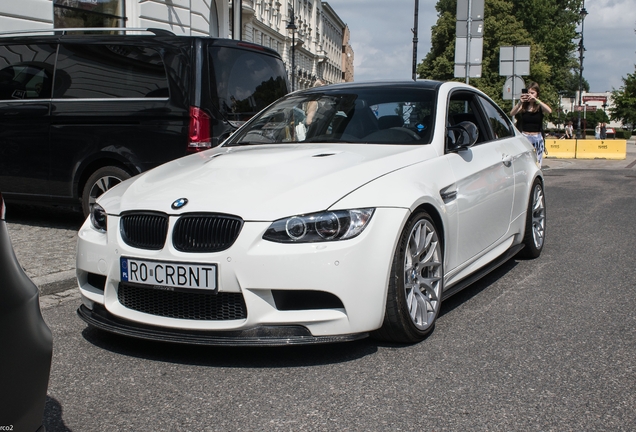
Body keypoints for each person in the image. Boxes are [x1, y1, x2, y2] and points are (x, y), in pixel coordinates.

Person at [510, 82, 552, 167]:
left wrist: (536, 100)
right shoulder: (523, 106)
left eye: (532, 93)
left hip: (537, 137)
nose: (530, 95)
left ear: (537, 94)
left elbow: (549, 110)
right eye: (528, 93)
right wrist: (520, 102)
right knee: (525, 162)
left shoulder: (539, 107)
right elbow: (512, 113)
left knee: (537, 162)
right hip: (525, 136)